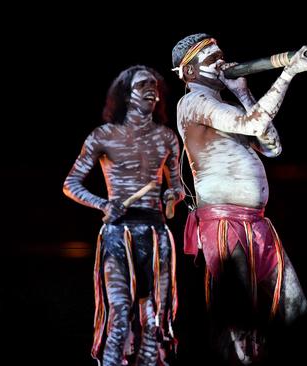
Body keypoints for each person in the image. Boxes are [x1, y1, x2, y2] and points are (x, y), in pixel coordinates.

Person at [170, 33, 307, 364]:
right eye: (211, 59)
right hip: (225, 225)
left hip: (256, 224)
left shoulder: (224, 108)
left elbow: (272, 145)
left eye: (221, 55)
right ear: (189, 72)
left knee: (292, 306)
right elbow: (255, 122)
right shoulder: (192, 103)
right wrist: (289, 73)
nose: (221, 62)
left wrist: (243, 92)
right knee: (242, 320)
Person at [63, 65, 184, 366]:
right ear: (126, 93)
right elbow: (70, 184)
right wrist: (103, 204)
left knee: (154, 320)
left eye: (155, 84)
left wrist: (172, 196)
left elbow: (179, 187)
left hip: (156, 234)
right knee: (118, 315)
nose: (152, 89)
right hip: (119, 234)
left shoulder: (167, 137)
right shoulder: (103, 136)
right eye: (143, 84)